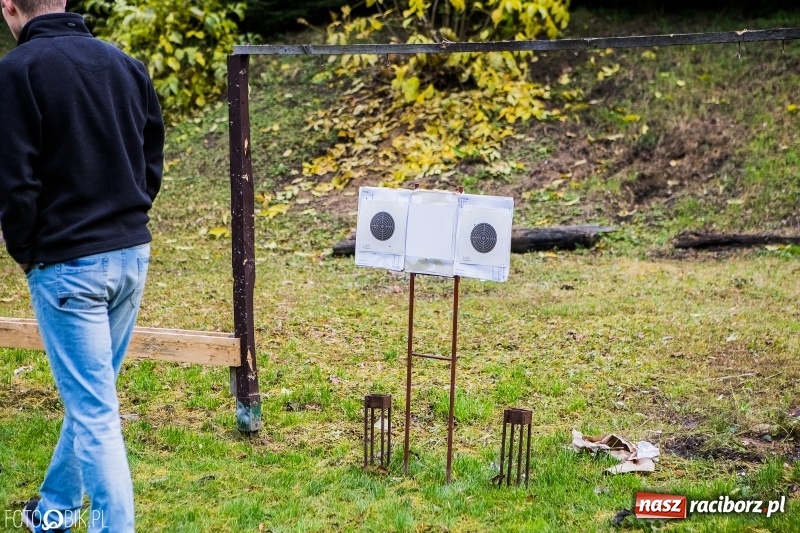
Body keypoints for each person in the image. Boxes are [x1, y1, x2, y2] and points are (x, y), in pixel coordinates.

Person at [0, 0, 164, 531]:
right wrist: (130, 217)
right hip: (131, 254)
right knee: (94, 394)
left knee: (96, 413)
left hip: (68, 265)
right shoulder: (125, 64)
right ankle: (56, 508)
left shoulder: (16, 72)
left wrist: (26, 251)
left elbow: (15, 180)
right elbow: (151, 157)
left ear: (9, 8)